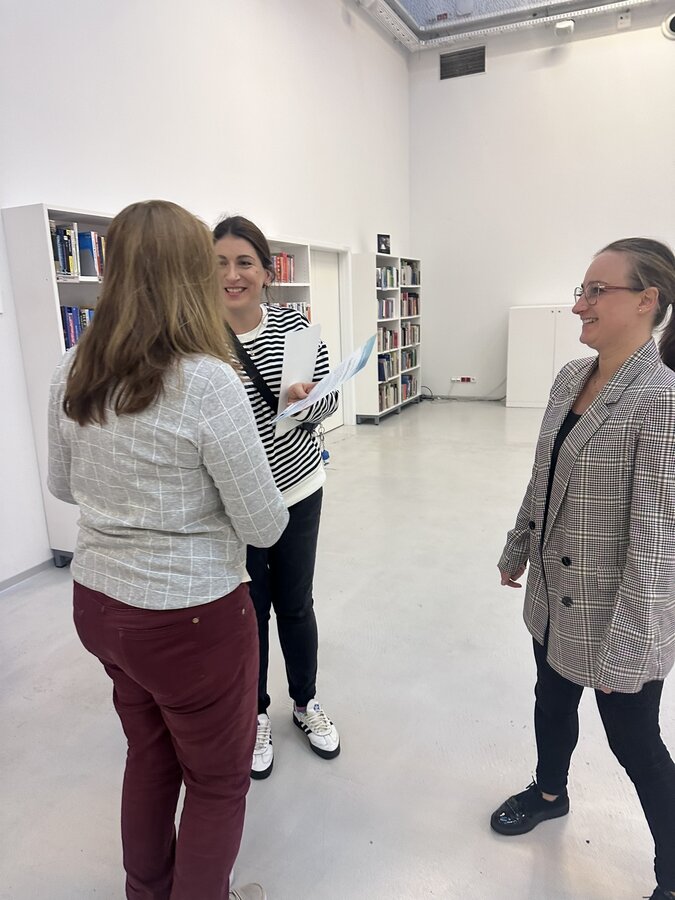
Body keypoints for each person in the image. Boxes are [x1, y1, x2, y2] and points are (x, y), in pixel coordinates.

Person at [48, 200, 290, 900]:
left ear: (113, 268)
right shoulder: (206, 380)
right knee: (217, 782)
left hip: (99, 603)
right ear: (190, 274)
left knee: (148, 755)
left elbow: (62, 485)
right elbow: (264, 525)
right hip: (190, 617)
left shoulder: (73, 366)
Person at [492, 238, 675, 900]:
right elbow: (542, 476)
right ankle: (549, 792)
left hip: (614, 612)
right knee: (550, 699)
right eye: (583, 289)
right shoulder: (571, 377)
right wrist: (517, 545)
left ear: (646, 300)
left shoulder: (661, 399)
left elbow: (656, 541)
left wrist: (630, 644)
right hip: (553, 589)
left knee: (634, 742)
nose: (579, 305)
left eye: (598, 291)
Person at [213, 215, 340, 780]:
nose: (232, 275)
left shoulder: (295, 327)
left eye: (244, 262)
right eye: (219, 263)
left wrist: (304, 401)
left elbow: (327, 402)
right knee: (248, 611)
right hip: (235, 502)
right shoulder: (197, 339)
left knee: (295, 602)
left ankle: (306, 702)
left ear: (267, 272)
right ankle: (256, 713)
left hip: (298, 489)